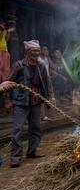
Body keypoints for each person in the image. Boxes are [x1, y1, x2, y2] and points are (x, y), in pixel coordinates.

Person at [4, 40, 54, 168]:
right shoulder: (18, 65)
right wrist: (7, 100)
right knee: (17, 130)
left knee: (36, 128)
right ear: (27, 52)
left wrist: (49, 99)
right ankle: (15, 158)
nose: (36, 53)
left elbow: (47, 84)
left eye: (37, 51)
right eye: (33, 51)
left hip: (36, 102)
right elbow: (7, 84)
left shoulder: (41, 66)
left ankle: (32, 152)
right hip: (21, 102)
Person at [39, 46, 53, 121]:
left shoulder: (46, 58)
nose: (46, 51)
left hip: (47, 77)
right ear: (40, 50)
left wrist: (48, 57)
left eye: (47, 49)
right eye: (44, 49)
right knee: (42, 96)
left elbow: (52, 67)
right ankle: (42, 116)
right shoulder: (38, 59)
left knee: (50, 95)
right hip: (41, 79)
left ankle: (46, 114)